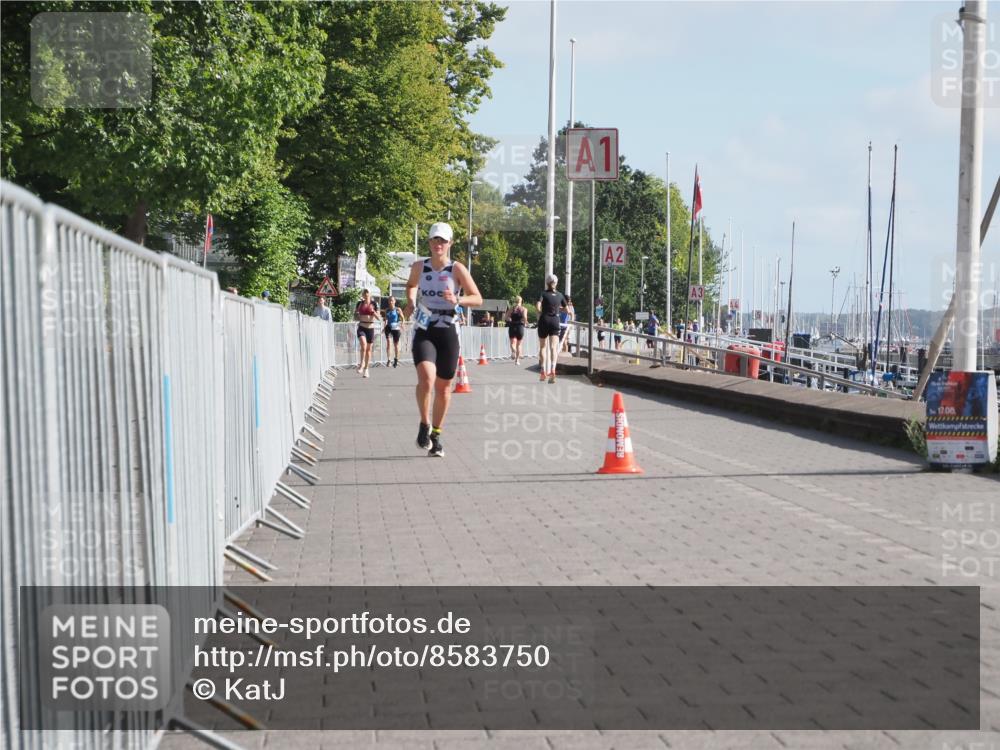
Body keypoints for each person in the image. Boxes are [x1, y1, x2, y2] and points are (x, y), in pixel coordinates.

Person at [404, 222, 482, 457]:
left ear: (450, 244)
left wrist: (458, 300)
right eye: (435, 240)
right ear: (429, 242)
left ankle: (436, 435)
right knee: (426, 378)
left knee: (444, 388)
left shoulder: (457, 269)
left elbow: (477, 298)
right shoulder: (420, 266)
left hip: (448, 329)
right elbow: (411, 285)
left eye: (443, 241)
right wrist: (410, 301)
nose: (438, 244)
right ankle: (424, 423)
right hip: (425, 328)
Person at [536, 274, 566, 383]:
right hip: (555, 321)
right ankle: (553, 369)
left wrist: (540, 311)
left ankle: (543, 371)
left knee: (543, 347)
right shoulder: (560, 295)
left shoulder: (543, 293)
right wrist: (558, 308)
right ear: (556, 283)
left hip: (544, 319)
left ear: (547, 283)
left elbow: (538, 305)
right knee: (554, 347)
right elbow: (567, 310)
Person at [354, 289, 381, 377]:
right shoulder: (359, 304)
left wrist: (373, 312)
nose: (366, 294)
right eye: (364, 293)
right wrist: (357, 314)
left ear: (370, 294)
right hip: (362, 327)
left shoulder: (374, 304)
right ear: (362, 295)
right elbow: (355, 316)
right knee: (363, 345)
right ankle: (361, 364)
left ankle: (366, 369)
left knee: (368, 350)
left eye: (367, 293)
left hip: (370, 328)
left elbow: (378, 318)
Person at [505, 296, 528, 365]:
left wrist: (509, 319)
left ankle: (513, 351)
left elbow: (506, 317)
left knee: (512, 343)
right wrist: (526, 322)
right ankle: (517, 360)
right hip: (520, 327)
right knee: (519, 344)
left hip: (512, 326)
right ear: (521, 301)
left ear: (515, 301)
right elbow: (525, 317)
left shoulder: (512, 308)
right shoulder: (524, 309)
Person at [383, 296, 403, 367]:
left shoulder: (398, 309)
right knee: (388, 343)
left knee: (396, 344)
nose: (391, 302)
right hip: (388, 327)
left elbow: (402, 317)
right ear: (388, 302)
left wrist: (401, 325)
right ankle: (389, 360)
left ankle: (396, 359)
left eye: (392, 300)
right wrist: (384, 326)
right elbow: (385, 319)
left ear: (395, 301)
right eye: (389, 301)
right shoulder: (387, 310)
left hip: (396, 328)